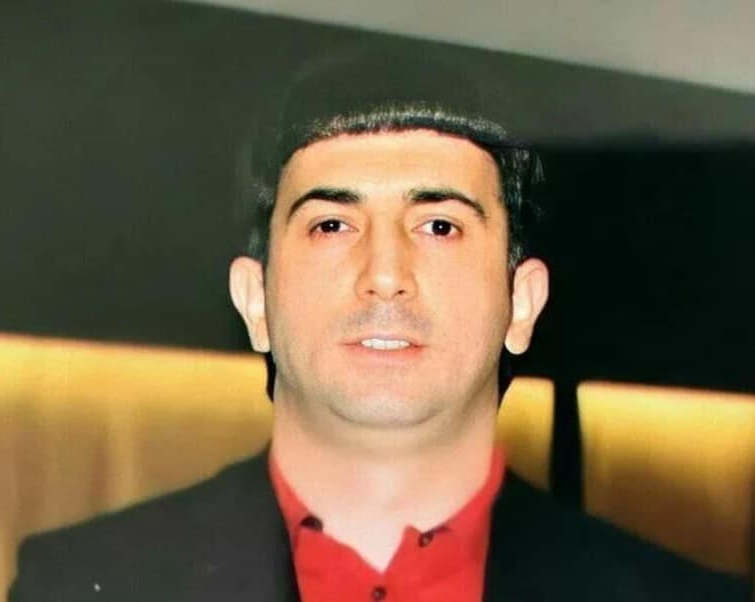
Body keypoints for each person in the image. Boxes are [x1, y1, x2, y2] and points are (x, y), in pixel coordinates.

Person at [9, 45, 749, 602]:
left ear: (520, 303)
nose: (386, 272)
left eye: (439, 226)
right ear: (255, 300)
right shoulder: (79, 585)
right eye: (332, 224)